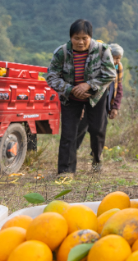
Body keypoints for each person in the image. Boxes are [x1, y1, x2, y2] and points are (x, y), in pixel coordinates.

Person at [46, 19, 116, 176]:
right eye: (76, 38)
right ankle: (66, 170)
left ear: (90, 37)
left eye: (84, 38)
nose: (80, 42)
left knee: (97, 130)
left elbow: (110, 74)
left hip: (95, 96)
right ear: (71, 37)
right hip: (70, 98)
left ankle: (97, 160)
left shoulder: (102, 50)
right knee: (68, 134)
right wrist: (71, 89)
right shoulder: (62, 52)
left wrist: (88, 85)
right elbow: (51, 77)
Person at [75, 43, 124, 164]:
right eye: (114, 58)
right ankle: (71, 154)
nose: (117, 61)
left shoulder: (118, 68)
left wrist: (115, 107)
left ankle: (97, 157)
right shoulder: (96, 67)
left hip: (104, 105)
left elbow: (119, 88)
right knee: (81, 128)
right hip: (89, 103)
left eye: (119, 58)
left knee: (99, 131)